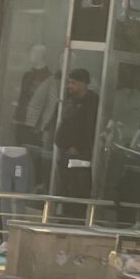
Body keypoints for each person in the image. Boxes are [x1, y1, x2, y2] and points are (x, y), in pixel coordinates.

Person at [53, 67, 99, 203]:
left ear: (83, 83)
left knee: (77, 189)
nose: (69, 86)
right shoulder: (70, 100)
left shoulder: (91, 102)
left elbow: (89, 127)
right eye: (69, 82)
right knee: (63, 187)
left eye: (73, 83)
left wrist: (78, 147)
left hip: (79, 154)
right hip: (64, 152)